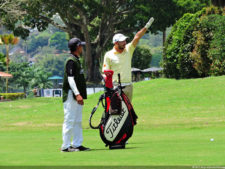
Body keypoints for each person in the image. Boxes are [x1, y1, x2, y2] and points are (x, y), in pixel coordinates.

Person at [102, 17, 154, 102]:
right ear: (116, 43)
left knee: (128, 112)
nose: (124, 42)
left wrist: (147, 26)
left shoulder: (128, 49)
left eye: (125, 40)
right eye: (122, 41)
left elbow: (137, 37)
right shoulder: (108, 55)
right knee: (117, 112)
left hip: (128, 87)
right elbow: (106, 72)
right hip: (115, 87)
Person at [61, 37, 90, 152]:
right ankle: (65, 146)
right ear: (78, 47)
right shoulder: (71, 61)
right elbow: (70, 79)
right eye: (81, 46)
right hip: (70, 95)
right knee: (69, 119)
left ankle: (77, 144)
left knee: (77, 120)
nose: (82, 48)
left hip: (77, 95)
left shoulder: (76, 60)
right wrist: (77, 94)